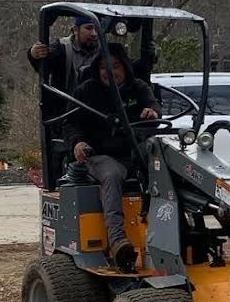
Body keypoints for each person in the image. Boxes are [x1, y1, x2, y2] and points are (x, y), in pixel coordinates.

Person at [65, 43, 159, 272]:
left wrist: (152, 113)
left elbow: (154, 107)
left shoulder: (138, 88)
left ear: (125, 67)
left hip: (134, 152)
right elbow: (71, 124)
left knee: (166, 164)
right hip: (99, 155)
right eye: (103, 67)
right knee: (112, 174)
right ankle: (117, 240)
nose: (109, 71)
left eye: (115, 66)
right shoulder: (87, 91)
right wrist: (77, 143)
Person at [29, 17, 157, 94]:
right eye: (89, 28)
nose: (94, 34)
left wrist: (148, 57)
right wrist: (34, 54)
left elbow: (128, 68)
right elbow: (43, 65)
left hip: (101, 111)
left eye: (97, 29)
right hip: (68, 112)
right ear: (76, 29)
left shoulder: (106, 50)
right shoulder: (62, 48)